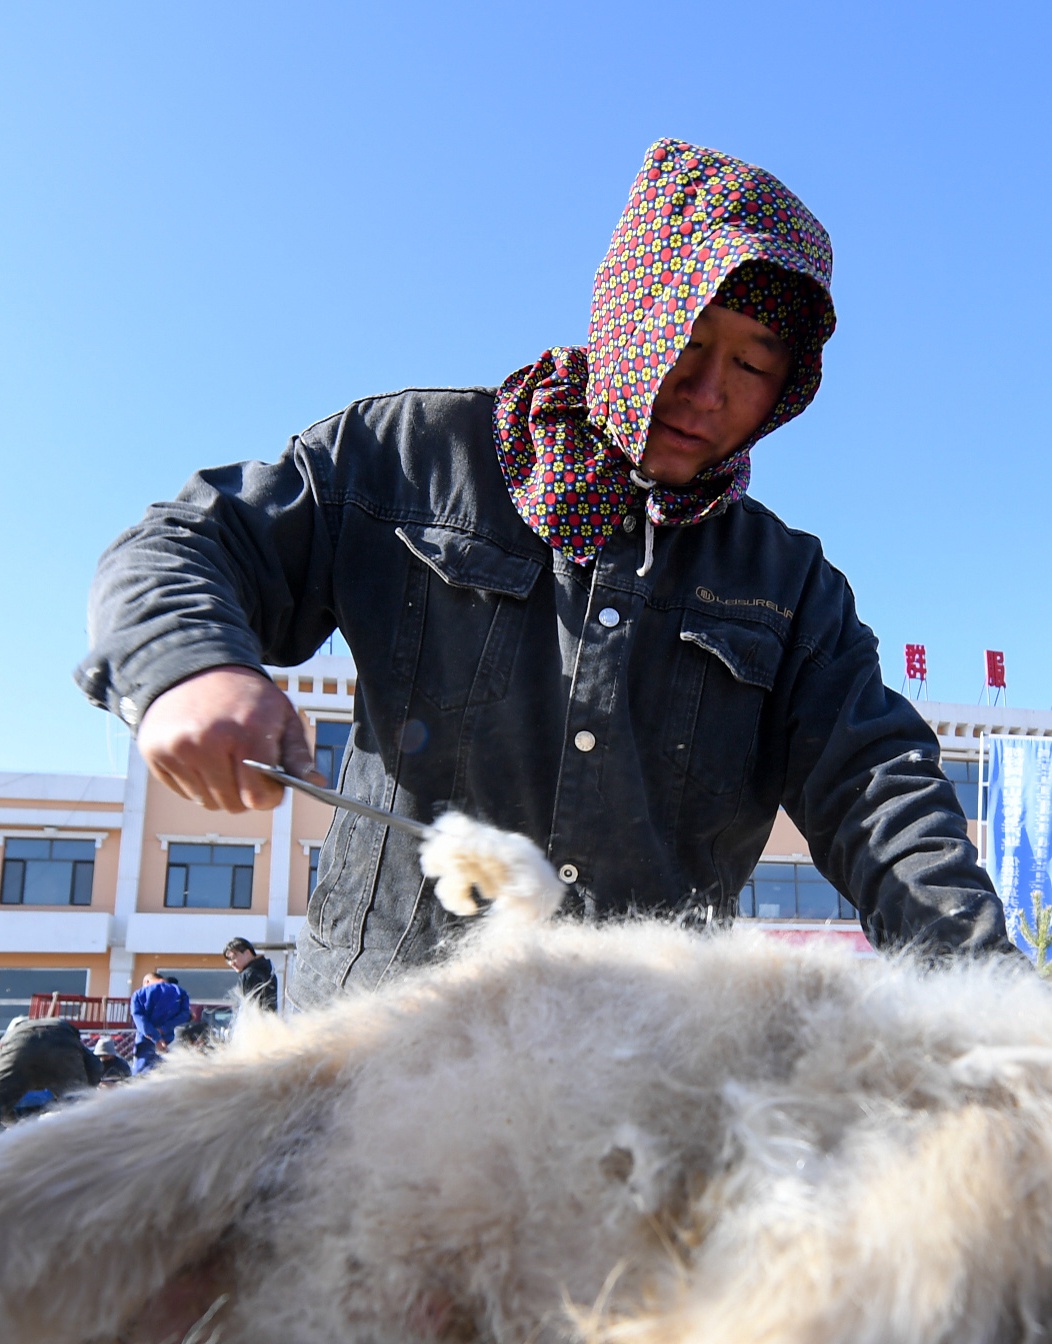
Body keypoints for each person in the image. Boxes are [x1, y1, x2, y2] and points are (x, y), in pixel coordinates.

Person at [75, 139, 1019, 1010]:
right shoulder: (412, 459)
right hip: (377, 1050)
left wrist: (987, 1001)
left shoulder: (788, 587)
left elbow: (879, 793)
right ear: (631, 313)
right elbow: (189, 543)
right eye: (686, 342)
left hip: (641, 1082)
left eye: (752, 364)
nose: (708, 394)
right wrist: (190, 669)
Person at [0, 1016, 103, 1123]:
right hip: (61, 1041)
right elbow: (96, 1066)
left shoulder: (11, 1038)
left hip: (19, 1048)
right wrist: (86, 1089)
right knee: (78, 1106)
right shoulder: (60, 1032)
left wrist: (15, 1126)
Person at [130, 973, 191, 1074]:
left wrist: (156, 1038)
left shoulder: (139, 994)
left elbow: (140, 1020)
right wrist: (164, 1028)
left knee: (142, 1078)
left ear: (147, 981)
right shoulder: (181, 992)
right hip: (170, 1040)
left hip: (146, 1042)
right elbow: (185, 1015)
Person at [223, 937, 279, 1012]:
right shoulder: (269, 971)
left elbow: (247, 1006)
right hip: (270, 1020)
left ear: (247, 953)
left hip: (254, 1021)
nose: (231, 963)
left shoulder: (249, 974)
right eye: (229, 960)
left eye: (233, 957)